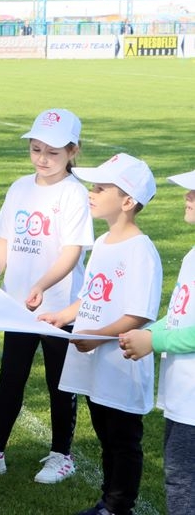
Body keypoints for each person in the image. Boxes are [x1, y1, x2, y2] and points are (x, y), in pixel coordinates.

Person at [0, 109, 93, 484]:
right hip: (18, 306)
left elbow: (72, 253)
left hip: (58, 307)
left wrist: (42, 285)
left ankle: (61, 455)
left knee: (59, 383)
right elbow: (5, 236)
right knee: (11, 378)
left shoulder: (73, 193)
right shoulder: (20, 187)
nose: (42, 158)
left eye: (52, 152)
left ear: (72, 151)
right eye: (36, 149)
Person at [39, 153, 162, 515]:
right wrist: (62, 316)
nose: (90, 193)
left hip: (120, 361)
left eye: (100, 188)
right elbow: (90, 296)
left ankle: (118, 505)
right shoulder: (105, 242)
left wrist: (97, 337)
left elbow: (139, 314)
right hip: (95, 362)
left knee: (123, 438)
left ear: (127, 201)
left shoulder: (140, 250)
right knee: (105, 433)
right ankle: (107, 500)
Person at [119, 167, 195, 513]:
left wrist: (154, 343)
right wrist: (149, 332)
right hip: (182, 394)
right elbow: (180, 312)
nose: (187, 197)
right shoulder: (192, 256)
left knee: (182, 482)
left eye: (194, 193)